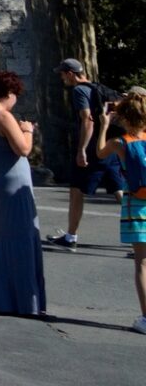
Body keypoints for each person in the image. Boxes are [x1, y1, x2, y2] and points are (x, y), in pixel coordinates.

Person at [0, 70, 47, 315]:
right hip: (12, 182)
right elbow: (23, 149)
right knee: (21, 234)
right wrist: (28, 130)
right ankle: (23, 300)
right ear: (10, 93)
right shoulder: (3, 116)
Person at [47, 59, 121, 249]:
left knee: (76, 190)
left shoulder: (79, 91)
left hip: (92, 149)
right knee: (120, 191)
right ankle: (142, 234)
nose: (62, 78)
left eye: (62, 74)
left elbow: (87, 121)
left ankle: (70, 237)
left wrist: (81, 150)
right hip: (109, 146)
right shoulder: (97, 87)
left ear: (70, 73)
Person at [94, 92, 146, 334]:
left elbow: (100, 153)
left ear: (123, 118)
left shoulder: (121, 143)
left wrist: (104, 126)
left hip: (135, 206)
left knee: (142, 264)